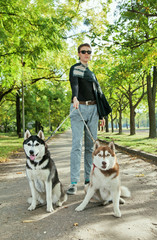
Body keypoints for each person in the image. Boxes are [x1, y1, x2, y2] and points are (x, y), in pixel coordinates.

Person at [67, 43, 109, 195]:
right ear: (78, 53)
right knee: (77, 145)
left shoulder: (92, 74)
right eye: (83, 52)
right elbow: (75, 85)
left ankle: (88, 179)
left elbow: (98, 95)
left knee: (91, 147)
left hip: (93, 110)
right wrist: (75, 97)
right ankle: (73, 182)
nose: (86, 54)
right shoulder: (75, 68)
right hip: (78, 108)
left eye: (89, 52)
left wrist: (102, 115)